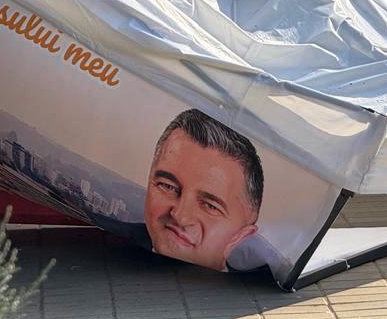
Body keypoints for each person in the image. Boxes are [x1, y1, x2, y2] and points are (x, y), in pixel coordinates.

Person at [92, 109, 264, 272]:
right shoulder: (99, 240)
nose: (180, 216)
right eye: (168, 186)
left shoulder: (260, 286)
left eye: (210, 206)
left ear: (240, 236)